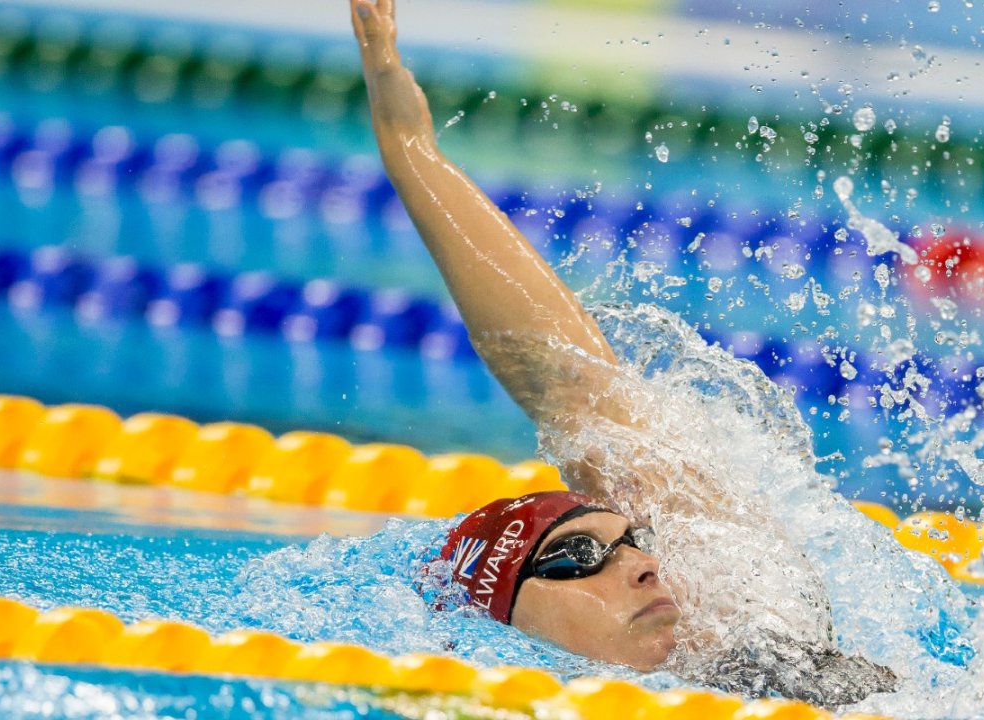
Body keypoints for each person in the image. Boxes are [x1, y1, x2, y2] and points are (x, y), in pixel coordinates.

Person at [348, 0, 897, 706]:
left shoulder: (754, 623)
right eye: (577, 557)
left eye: (636, 537)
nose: (643, 565)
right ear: (506, 621)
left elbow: (568, 383)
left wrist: (412, 154)